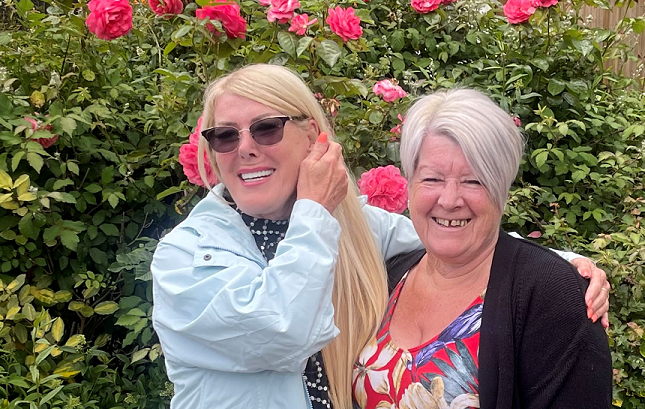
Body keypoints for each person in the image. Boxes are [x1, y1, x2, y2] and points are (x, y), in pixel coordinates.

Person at [151, 64, 610, 409]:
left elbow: (446, 233)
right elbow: (282, 329)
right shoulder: (184, 259)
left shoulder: (349, 227)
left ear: (312, 135)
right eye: (225, 136)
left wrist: (562, 266)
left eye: (266, 127)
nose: (246, 147)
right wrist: (315, 211)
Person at [352, 88, 612, 409]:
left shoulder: (553, 296)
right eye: (432, 179)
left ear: (501, 189)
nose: (449, 200)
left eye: (473, 181)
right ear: (410, 183)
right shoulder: (391, 274)